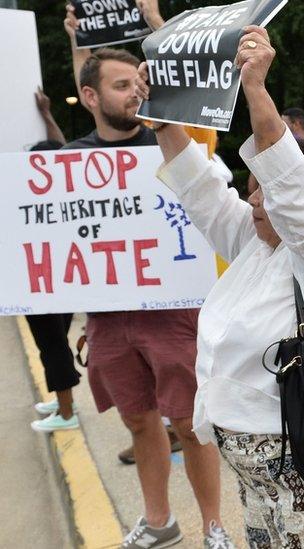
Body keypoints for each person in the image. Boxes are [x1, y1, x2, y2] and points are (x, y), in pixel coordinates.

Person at [138, 26, 304, 548]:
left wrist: (255, 88)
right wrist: (163, 121)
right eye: (249, 191)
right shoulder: (255, 243)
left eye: (262, 192)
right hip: (253, 483)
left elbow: (292, 190)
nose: (251, 203)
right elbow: (201, 190)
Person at [60, 42, 231, 548]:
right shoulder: (69, 163)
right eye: (120, 85)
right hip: (110, 317)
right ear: (90, 96)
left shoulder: (170, 145)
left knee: (189, 419)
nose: (134, 93)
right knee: (137, 419)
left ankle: (215, 527)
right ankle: (160, 522)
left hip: (173, 310)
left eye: (137, 83)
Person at [26, 89, 80, 432]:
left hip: (41, 283)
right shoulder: (67, 191)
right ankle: (62, 401)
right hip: (57, 279)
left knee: (52, 345)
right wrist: (47, 115)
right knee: (54, 342)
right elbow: (61, 148)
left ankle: (66, 412)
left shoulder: (34, 201)